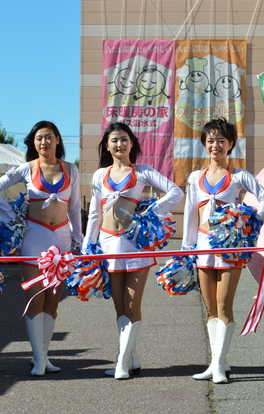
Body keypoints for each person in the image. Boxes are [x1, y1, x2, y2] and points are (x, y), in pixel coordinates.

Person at [83, 122, 183, 380]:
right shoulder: (99, 175)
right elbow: (94, 213)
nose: (120, 144)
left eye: (124, 139)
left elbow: (175, 192)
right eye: (114, 140)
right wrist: (87, 246)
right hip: (108, 244)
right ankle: (131, 358)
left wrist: (151, 211)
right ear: (107, 146)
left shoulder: (143, 171)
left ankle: (121, 362)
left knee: (132, 303)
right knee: (119, 305)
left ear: (132, 144)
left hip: (134, 244)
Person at [183, 117, 264, 384]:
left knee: (224, 304)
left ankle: (218, 366)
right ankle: (218, 362)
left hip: (229, 249)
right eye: (211, 141)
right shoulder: (195, 177)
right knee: (210, 307)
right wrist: (187, 249)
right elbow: (190, 214)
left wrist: (249, 224)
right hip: (202, 247)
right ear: (205, 144)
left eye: (221, 140)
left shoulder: (239, 176)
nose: (216, 145)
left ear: (231, 144)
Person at [0, 120, 82, 376]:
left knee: (52, 301)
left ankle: (44, 356)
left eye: (49, 137)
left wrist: (78, 239)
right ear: (33, 142)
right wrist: (12, 220)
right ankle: (38, 358)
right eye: (39, 138)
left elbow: (74, 208)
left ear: (58, 140)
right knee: (35, 299)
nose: (44, 142)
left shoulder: (71, 169)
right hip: (33, 239)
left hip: (61, 241)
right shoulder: (26, 168)